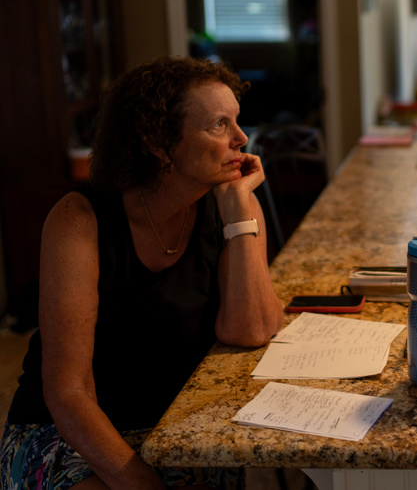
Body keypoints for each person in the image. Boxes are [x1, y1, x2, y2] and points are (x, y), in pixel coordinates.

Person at [1, 56, 284, 489]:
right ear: (159, 142)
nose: (242, 138)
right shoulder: (79, 219)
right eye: (218, 125)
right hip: (72, 434)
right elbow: (68, 392)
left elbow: (250, 329)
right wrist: (143, 484)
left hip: (172, 427)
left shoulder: (231, 205)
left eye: (238, 122)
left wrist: (240, 208)